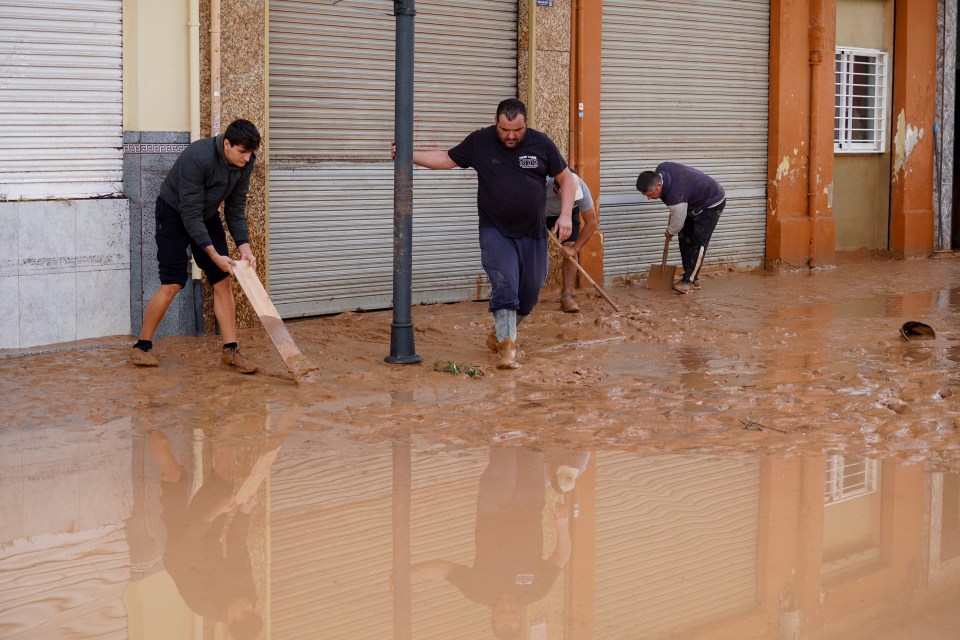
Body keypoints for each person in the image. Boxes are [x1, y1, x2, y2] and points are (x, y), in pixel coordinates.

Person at [398, 98, 578, 369]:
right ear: (496, 123)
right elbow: (447, 158)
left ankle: (499, 335)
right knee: (505, 286)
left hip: (533, 233)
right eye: (504, 129)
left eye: (516, 130)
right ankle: (508, 348)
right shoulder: (480, 141)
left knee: (529, 296)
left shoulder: (541, 143)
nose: (510, 135)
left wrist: (565, 215)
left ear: (525, 123)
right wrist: (408, 153)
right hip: (496, 231)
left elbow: (567, 178)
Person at [129, 119, 262, 372]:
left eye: (251, 153)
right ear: (227, 144)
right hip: (174, 213)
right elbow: (189, 214)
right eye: (242, 152)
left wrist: (245, 249)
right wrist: (212, 254)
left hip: (207, 215)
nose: (247, 158)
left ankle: (230, 350)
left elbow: (235, 210)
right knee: (173, 281)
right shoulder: (197, 157)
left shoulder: (245, 165)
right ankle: (141, 347)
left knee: (223, 277)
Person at [407, 447, 572, 639]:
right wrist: (562, 525)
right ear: (521, 616)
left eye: (503, 612)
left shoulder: (478, 591)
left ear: (492, 617)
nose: (508, 607)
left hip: (494, 506)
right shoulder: (536, 590)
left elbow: (443, 570)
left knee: (506, 452)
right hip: (530, 505)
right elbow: (560, 558)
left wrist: (407, 576)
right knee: (533, 448)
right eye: (513, 613)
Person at [635, 162, 725, 295]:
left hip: (711, 202)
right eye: (646, 195)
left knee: (699, 241)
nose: (649, 198)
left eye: (650, 194)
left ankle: (689, 281)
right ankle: (692, 276)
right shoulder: (661, 169)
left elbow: (677, 223)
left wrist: (669, 232)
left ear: (659, 185)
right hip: (690, 203)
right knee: (684, 238)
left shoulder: (675, 196)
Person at [545, 171, 598, 313]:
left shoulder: (581, 187)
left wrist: (575, 249)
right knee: (531, 249)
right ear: (555, 189)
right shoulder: (542, 184)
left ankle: (566, 296)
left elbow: (592, 222)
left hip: (568, 215)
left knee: (570, 248)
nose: (573, 199)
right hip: (540, 214)